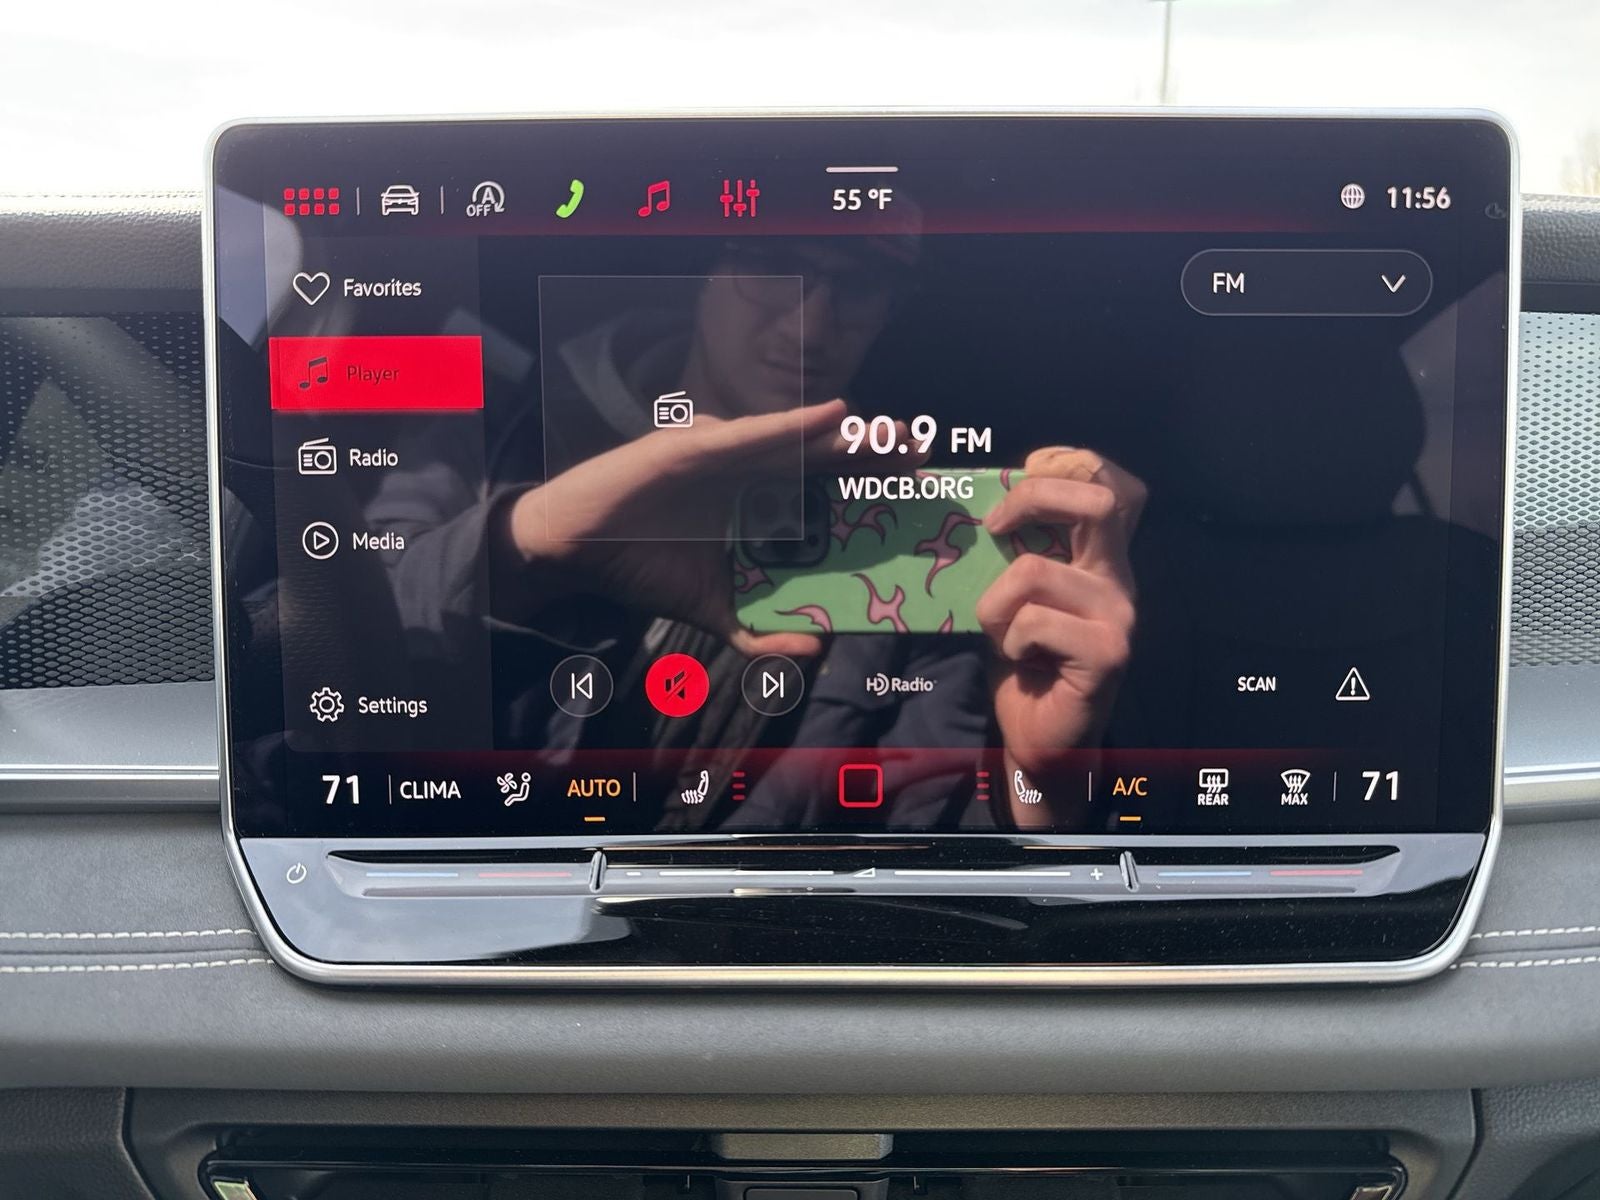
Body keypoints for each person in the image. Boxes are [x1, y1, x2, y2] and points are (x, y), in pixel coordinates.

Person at [370, 235, 1144, 829]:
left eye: (861, 284)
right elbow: (337, 645)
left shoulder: (916, 534)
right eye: (773, 262)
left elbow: (923, 836)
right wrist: (522, 545)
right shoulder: (498, 426)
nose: (810, 326)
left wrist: (1044, 784)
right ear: (702, 262)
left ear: (892, 308)